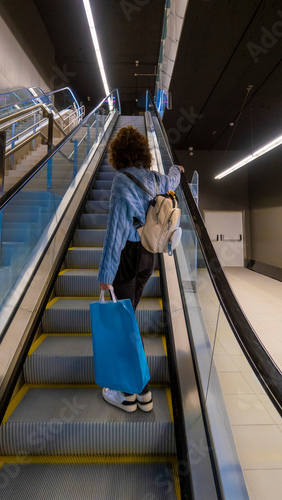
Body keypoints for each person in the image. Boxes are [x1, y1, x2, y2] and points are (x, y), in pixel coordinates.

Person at [97, 125, 184, 413]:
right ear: (145, 153)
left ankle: (134, 392)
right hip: (149, 257)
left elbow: (116, 233)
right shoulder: (157, 178)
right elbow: (172, 178)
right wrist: (177, 170)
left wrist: (106, 276)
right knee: (128, 320)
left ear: (118, 154)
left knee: (125, 325)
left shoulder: (121, 181)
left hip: (127, 257)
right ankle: (136, 392)